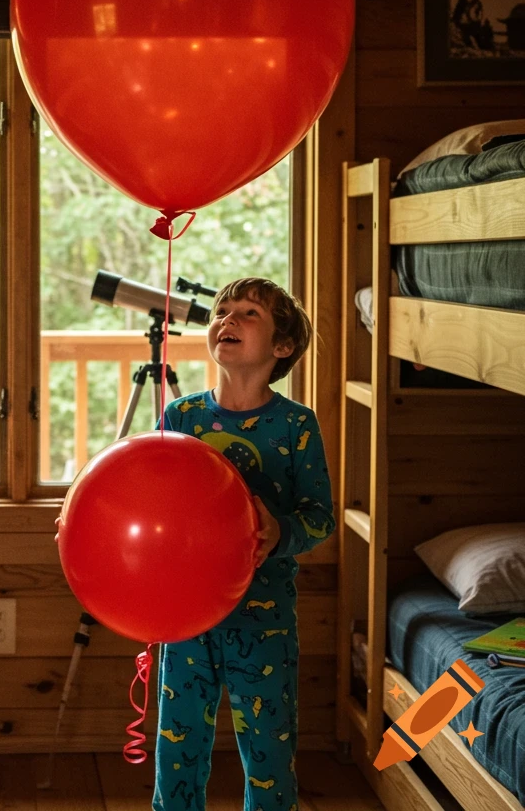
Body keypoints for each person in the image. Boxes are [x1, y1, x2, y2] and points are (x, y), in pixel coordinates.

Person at [151, 277, 335, 811]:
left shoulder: (296, 425)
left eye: (247, 314)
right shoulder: (181, 418)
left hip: (265, 617)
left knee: (268, 755)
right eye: (221, 311)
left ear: (283, 346)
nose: (227, 320)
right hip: (186, 619)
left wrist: (281, 531)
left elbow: (319, 517)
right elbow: (146, 498)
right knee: (178, 751)